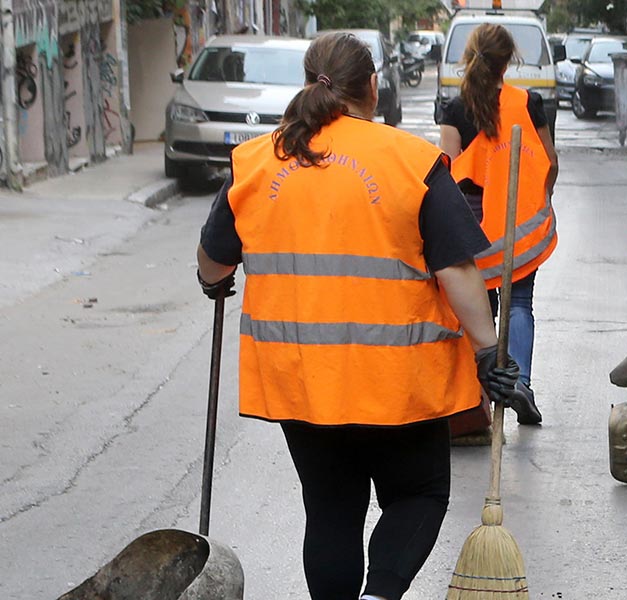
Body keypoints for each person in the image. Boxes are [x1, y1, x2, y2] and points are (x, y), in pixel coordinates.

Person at [196, 32, 520, 599]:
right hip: (398, 383)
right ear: (372, 87)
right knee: (418, 494)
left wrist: (212, 282)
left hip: (302, 384)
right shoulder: (411, 162)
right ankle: (379, 594)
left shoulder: (254, 162)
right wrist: (488, 350)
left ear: (309, 84)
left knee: (330, 510)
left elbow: (213, 259)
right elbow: (458, 272)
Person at [439, 23, 559, 426]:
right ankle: (520, 382)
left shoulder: (456, 110)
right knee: (519, 302)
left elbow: (446, 172)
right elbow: (549, 161)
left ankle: (477, 400)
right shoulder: (528, 102)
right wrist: (540, 199)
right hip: (517, 221)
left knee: (477, 307)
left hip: (469, 223)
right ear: (509, 60)